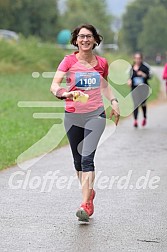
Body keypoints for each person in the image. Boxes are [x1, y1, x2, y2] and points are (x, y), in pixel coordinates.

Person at [50, 24, 120, 222]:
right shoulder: (68, 61)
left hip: (95, 115)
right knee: (77, 162)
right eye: (81, 36)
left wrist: (114, 101)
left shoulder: (102, 63)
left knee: (87, 159)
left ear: (95, 40)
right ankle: (89, 193)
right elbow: (54, 85)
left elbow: (104, 85)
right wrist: (65, 93)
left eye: (89, 36)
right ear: (76, 40)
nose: (85, 40)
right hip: (72, 115)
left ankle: (85, 205)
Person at [128, 52, 151, 128]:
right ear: (134, 59)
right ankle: (135, 120)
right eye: (136, 58)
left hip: (144, 89)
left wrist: (143, 74)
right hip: (134, 89)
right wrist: (129, 81)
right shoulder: (131, 68)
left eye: (139, 58)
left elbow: (149, 77)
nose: (137, 60)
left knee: (143, 104)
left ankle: (144, 117)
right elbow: (129, 78)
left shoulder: (145, 68)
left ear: (141, 59)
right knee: (135, 105)